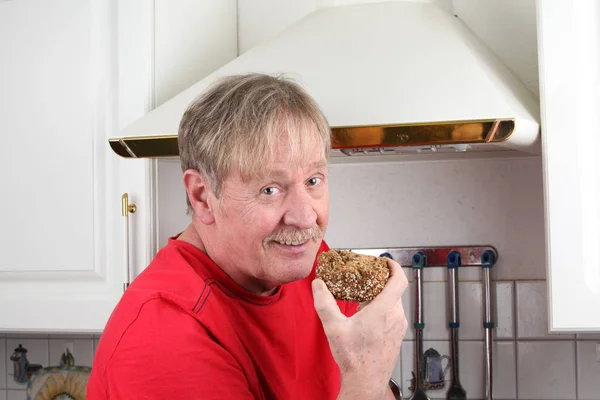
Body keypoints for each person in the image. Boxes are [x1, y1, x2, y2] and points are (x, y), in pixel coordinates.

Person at [87, 73, 409, 399]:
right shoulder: (162, 337)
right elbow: (364, 382)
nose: (305, 217)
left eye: (313, 181)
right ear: (202, 196)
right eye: (270, 189)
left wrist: (371, 375)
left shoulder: (304, 265)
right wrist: (366, 377)